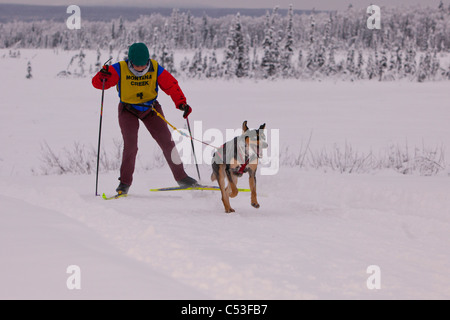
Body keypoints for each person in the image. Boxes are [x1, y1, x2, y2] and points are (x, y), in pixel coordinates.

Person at [92, 42, 198, 195]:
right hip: (127, 110)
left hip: (150, 108)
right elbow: (98, 84)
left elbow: (171, 86)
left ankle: (182, 178)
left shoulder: (155, 68)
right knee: (131, 146)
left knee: (167, 142)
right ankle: (124, 184)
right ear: (130, 61)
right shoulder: (119, 68)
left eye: (144, 65)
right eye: (137, 65)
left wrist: (181, 103)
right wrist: (101, 76)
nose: (141, 68)